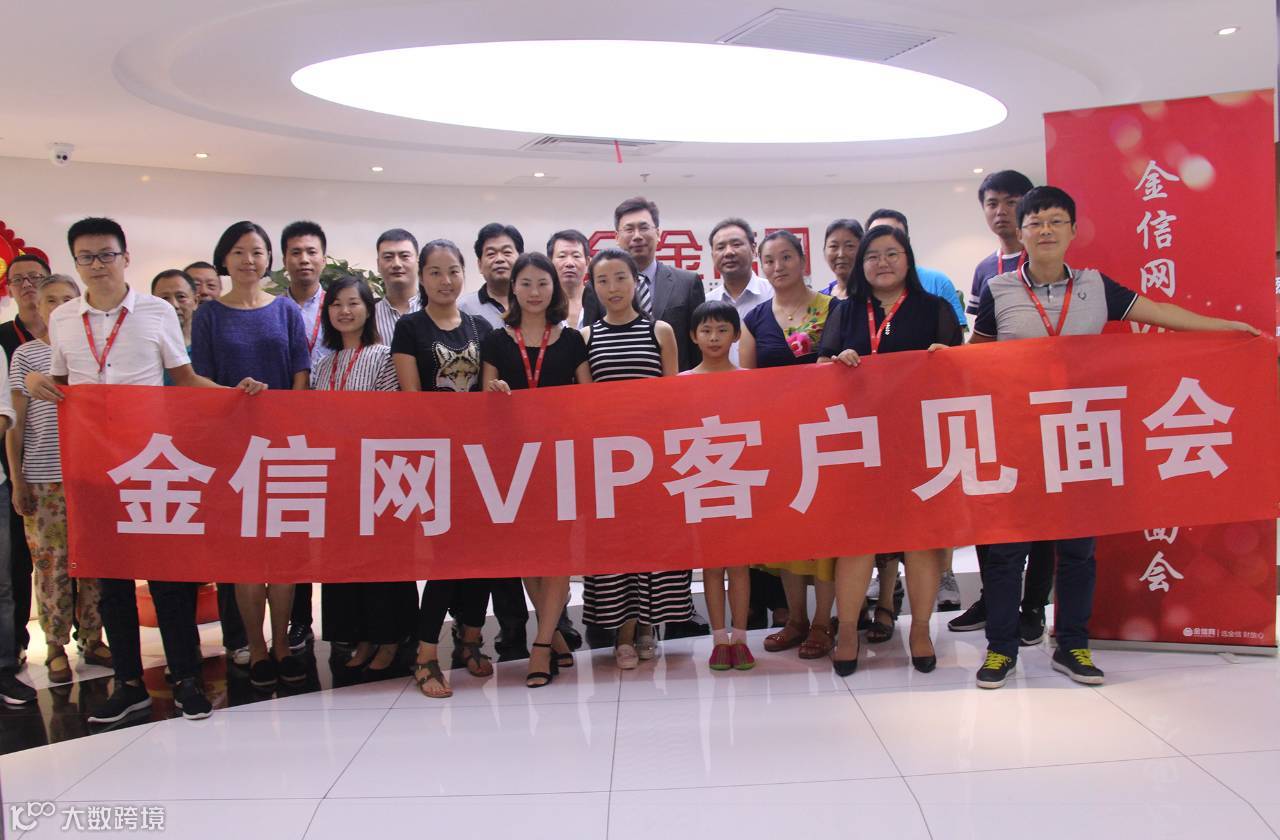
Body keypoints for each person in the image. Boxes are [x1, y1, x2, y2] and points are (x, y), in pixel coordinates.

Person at [970, 186, 1259, 690]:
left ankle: (1072, 645)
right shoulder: (999, 290)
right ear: (1022, 232)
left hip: (1080, 438)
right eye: (1035, 222)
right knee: (1007, 552)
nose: (1045, 231)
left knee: (1078, 551)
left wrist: (1225, 330)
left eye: (1056, 222)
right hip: (1019, 440)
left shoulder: (1095, 286)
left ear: (1072, 231)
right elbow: (974, 356)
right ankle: (1001, 650)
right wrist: (939, 357)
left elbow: (1160, 312)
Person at [27, 216, 266, 722]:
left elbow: (185, 378)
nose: (98, 265)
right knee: (111, 581)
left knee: (168, 575)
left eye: (106, 254)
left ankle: (186, 679)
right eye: (87, 257)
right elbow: (62, 385)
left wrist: (235, 394)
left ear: (125, 258)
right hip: (93, 463)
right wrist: (34, 383)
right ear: (76, 263)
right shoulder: (64, 318)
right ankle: (129, 683)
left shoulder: (156, 311)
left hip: (151, 461)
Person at [817, 226, 964, 675]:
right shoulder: (844, 311)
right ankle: (847, 632)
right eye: (872, 256)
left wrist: (944, 358)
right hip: (858, 444)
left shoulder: (935, 308)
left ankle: (919, 630)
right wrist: (836, 365)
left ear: (908, 259)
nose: (882, 263)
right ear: (860, 265)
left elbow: (959, 372)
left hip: (919, 442)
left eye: (892, 254)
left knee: (920, 541)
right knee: (857, 541)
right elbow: (819, 369)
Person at [191, 220, 310, 691]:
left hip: (281, 446)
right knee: (245, 556)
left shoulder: (285, 309)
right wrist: (232, 395)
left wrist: (286, 418)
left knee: (282, 553)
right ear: (225, 258)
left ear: (268, 260)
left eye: (257, 252)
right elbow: (198, 378)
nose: (248, 260)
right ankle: (255, 647)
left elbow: (300, 372)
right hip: (231, 446)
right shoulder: (209, 315)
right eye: (239, 252)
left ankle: (282, 645)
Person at [391, 239, 496, 698]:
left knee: (481, 556)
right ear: (422, 277)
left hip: (478, 460)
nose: (445, 280)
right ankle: (426, 653)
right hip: (434, 459)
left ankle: (470, 639)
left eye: (453, 271)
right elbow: (412, 400)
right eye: (434, 272)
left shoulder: (479, 327)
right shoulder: (410, 328)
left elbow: (487, 394)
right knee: (446, 558)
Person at [481, 252, 591, 687]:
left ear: (554, 290)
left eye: (543, 283)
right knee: (528, 554)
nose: (534, 292)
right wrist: (495, 393)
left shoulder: (572, 340)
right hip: (511, 461)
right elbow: (484, 402)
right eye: (525, 283)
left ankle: (542, 644)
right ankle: (554, 636)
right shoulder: (496, 340)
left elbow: (590, 398)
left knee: (558, 553)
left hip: (560, 458)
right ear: (513, 289)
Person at [949, 169, 1050, 636]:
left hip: (1044, 402)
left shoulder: (1046, 260)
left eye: (1011, 201)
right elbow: (980, 339)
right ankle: (993, 599)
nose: (1001, 211)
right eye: (992, 203)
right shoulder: (985, 269)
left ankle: (1034, 607)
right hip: (995, 405)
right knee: (990, 504)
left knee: (1043, 511)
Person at [581, 248, 692, 669]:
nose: (613, 288)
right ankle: (623, 633)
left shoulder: (659, 331)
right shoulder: (586, 337)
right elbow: (585, 405)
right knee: (618, 549)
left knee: (654, 545)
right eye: (603, 280)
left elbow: (673, 398)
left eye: (620, 278)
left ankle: (649, 627)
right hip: (609, 464)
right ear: (593, 286)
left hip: (654, 459)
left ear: (635, 282)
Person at [738, 230, 839, 660]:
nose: (778, 267)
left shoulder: (833, 309)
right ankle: (796, 619)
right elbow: (748, 384)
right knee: (789, 532)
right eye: (769, 260)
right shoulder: (754, 319)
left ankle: (823, 622)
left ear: (803, 261)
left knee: (828, 534)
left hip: (829, 437)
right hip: (780, 440)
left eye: (786, 257)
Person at [8, 274, 110, 687]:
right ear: (38, 306)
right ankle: (54, 646)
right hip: (44, 476)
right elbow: (15, 423)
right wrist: (18, 480)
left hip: (91, 475)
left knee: (95, 563)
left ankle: (93, 637)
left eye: (68, 299)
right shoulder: (26, 356)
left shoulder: (93, 353)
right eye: (51, 300)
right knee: (51, 566)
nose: (59, 306)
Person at [312, 275, 416, 675]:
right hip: (337, 477)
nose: (344, 311)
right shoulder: (323, 364)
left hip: (377, 475)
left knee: (383, 561)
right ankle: (361, 636)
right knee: (346, 562)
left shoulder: (384, 355)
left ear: (368, 309)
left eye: (353, 303)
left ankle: (390, 637)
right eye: (336, 304)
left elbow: (391, 416)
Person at [679, 300, 755, 671]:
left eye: (722, 330)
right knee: (711, 566)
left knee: (739, 564)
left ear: (736, 335)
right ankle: (718, 639)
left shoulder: (749, 380)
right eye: (706, 330)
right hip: (701, 483)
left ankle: (740, 638)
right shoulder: (681, 383)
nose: (714, 337)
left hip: (739, 480)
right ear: (693, 336)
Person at [279, 220, 330, 653]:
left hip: (334, 428)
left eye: (311, 251)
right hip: (288, 429)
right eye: (296, 252)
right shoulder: (273, 309)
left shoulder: (343, 304)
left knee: (338, 528)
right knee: (295, 528)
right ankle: (300, 620)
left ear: (324, 258)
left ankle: (342, 621)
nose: (304, 259)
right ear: (284, 260)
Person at [582, 196, 706, 371]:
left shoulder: (687, 283)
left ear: (658, 233)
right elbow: (589, 350)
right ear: (617, 237)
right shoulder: (595, 288)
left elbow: (699, 349)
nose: (637, 236)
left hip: (676, 383)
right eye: (629, 229)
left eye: (644, 227)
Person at [0, 253, 48, 671]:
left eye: (36, 277)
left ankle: (88, 635)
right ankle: (15, 641)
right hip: (17, 461)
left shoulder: (73, 335)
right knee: (18, 559)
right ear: (10, 288)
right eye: (20, 279)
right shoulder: (3, 338)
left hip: (67, 460)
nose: (28, 285)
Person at [864, 209, 965, 326]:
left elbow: (955, 334)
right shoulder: (856, 296)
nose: (885, 242)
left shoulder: (937, 282)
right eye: (876, 236)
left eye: (894, 237)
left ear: (907, 243)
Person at [705, 218, 772, 365]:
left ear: (753, 249)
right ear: (713, 256)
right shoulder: (706, 303)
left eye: (736, 244)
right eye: (720, 247)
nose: (729, 252)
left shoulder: (773, 295)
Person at [459, 222, 522, 329]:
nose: (499, 259)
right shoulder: (464, 308)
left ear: (521, 259)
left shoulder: (534, 302)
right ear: (480, 265)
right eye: (491, 254)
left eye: (507, 252)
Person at [373, 228, 422, 344]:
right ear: (378, 264)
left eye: (404, 256)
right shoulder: (369, 317)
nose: (396, 264)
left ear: (418, 262)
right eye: (388, 257)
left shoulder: (436, 310)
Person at [547, 229, 591, 329]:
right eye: (562, 256)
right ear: (550, 261)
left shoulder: (601, 300)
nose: (569, 263)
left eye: (576, 256)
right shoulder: (542, 303)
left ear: (587, 262)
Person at [820, 219, 864, 298]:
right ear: (824, 252)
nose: (841, 254)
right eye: (833, 246)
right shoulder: (820, 299)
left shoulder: (875, 296)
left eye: (849, 246)